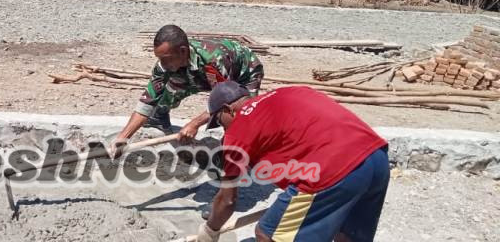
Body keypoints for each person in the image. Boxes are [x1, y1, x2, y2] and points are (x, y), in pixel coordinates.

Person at [196, 82, 389, 242]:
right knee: (348, 237)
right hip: (376, 157)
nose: (223, 130)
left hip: (332, 169)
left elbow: (227, 199)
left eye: (220, 123)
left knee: (268, 234)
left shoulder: (238, 129)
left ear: (228, 110)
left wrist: (210, 230)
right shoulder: (290, 91)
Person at [112, 24, 263, 149]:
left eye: (165, 59)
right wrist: (123, 138)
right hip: (198, 72)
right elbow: (147, 101)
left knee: (238, 116)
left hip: (245, 72)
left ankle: (231, 151)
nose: (162, 64)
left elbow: (224, 102)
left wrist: (194, 124)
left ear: (183, 51)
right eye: (159, 59)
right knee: (170, 89)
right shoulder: (165, 65)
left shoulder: (214, 60)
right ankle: (159, 118)